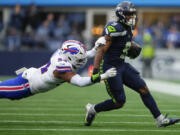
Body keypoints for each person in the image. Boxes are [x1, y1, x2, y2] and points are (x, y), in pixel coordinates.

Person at [84, 1, 180, 128]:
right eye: (129, 14)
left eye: (132, 14)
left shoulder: (129, 27)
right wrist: (96, 71)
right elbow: (101, 49)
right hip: (111, 67)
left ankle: (160, 120)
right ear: (121, 14)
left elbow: (122, 43)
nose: (131, 16)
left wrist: (130, 46)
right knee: (119, 101)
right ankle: (93, 109)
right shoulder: (114, 27)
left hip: (122, 65)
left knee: (143, 89)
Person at [0, 39, 117, 100]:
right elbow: (80, 82)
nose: (81, 60)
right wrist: (103, 76)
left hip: (30, 77)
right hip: (25, 85)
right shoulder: (61, 67)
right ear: (70, 57)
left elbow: (87, 54)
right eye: (78, 58)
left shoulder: (63, 54)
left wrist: (96, 47)